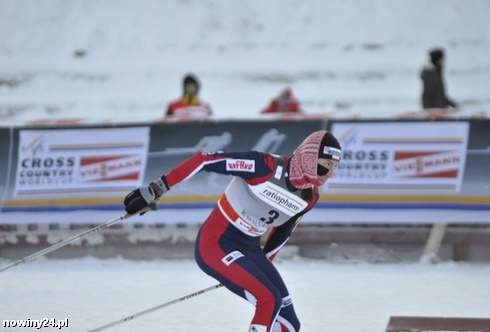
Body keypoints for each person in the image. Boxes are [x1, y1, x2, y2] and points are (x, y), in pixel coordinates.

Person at [123, 130, 342, 332]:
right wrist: (157, 188)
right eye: (324, 166)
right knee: (269, 300)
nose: (328, 175)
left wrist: (255, 267)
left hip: (250, 249)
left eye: (334, 168)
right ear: (308, 158)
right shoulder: (264, 166)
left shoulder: (309, 197)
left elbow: (283, 231)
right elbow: (204, 160)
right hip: (217, 243)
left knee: (289, 323)